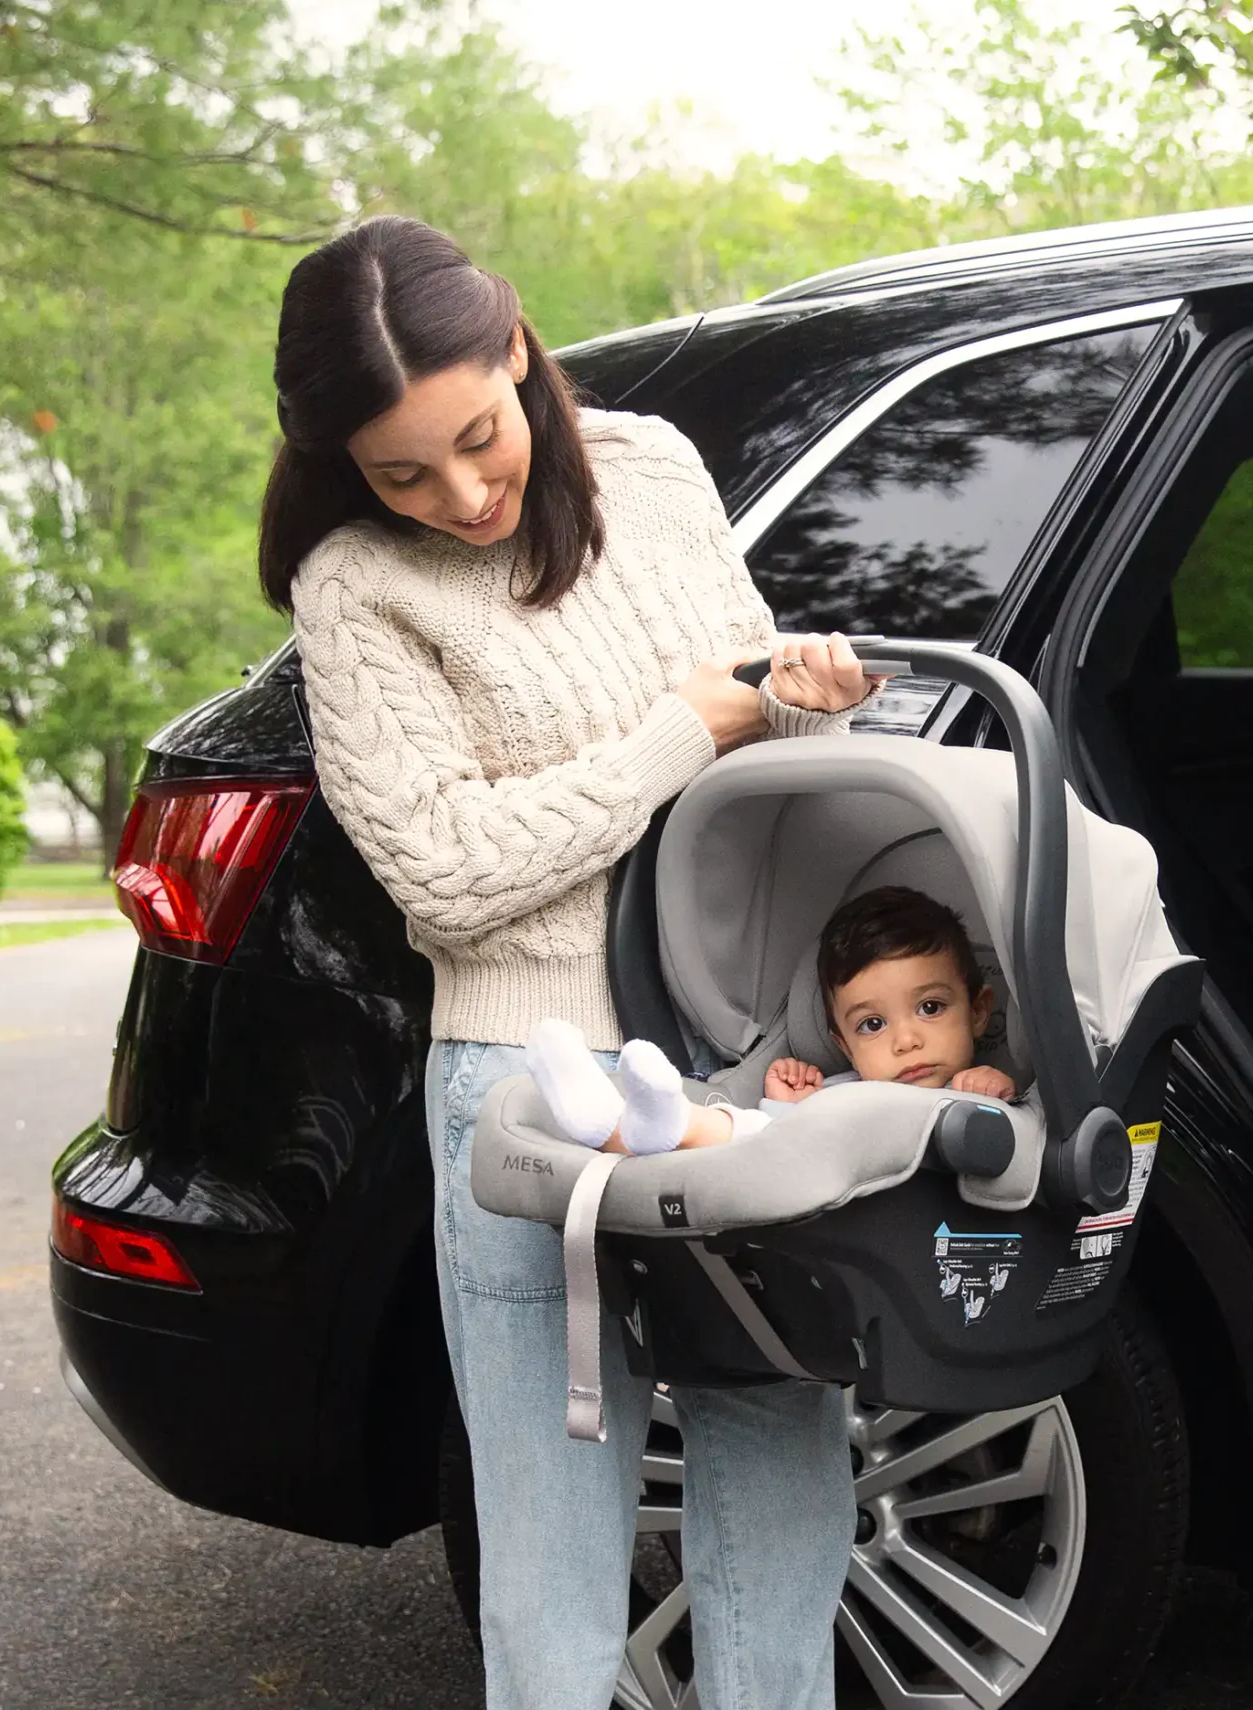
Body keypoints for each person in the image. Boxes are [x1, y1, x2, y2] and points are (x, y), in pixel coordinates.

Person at [260, 215, 876, 1710]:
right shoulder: (355, 587)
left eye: (479, 437)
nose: (461, 495)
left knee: (785, 1503)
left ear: (521, 353)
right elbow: (446, 876)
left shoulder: (654, 466)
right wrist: (684, 727)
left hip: (735, 1071)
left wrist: (811, 699)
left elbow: (756, 753)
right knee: (547, 1570)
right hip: (532, 1095)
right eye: (402, 471)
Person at [524, 886, 1020, 1154]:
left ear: (978, 1011)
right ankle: (612, 1125)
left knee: (756, 1138)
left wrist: (995, 1097)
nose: (906, 1041)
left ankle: (666, 1124)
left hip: (869, 1184)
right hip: (795, 1153)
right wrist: (788, 1106)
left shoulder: (976, 1092)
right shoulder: (837, 1090)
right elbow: (778, 1140)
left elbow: (1017, 1144)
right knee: (756, 1128)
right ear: (844, 1045)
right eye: (872, 1025)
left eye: (930, 1008)